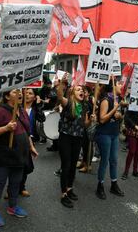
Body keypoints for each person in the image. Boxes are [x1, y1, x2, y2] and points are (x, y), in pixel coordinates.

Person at [0, 89, 38, 226]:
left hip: (19, 155)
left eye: (21, 91)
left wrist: (31, 147)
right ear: (7, 96)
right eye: (16, 92)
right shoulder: (1, 111)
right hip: (3, 155)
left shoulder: (22, 110)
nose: (21, 94)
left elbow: (27, 132)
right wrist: (6, 128)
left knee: (16, 182)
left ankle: (12, 206)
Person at [56, 78, 95, 208]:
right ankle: (63, 194)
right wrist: (62, 83)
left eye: (82, 90)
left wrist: (91, 121)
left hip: (78, 138)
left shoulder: (85, 106)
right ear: (73, 93)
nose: (81, 91)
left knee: (73, 165)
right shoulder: (68, 102)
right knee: (66, 165)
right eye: (78, 89)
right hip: (66, 138)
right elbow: (59, 95)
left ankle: (69, 188)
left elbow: (84, 125)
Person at [95, 80, 124, 199]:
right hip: (104, 134)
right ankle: (100, 186)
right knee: (105, 160)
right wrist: (114, 111)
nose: (121, 86)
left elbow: (119, 116)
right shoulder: (106, 100)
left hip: (114, 134)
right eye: (119, 84)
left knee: (114, 160)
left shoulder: (117, 99)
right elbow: (102, 119)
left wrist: (119, 115)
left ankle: (114, 184)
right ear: (112, 86)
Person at [19, 88, 45, 197]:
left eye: (30, 93)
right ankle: (10, 188)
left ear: (35, 97)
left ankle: (21, 187)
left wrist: (39, 106)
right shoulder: (18, 107)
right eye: (26, 93)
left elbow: (42, 119)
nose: (27, 95)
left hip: (30, 141)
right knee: (15, 165)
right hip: (18, 139)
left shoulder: (35, 109)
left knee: (25, 165)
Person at [121, 111, 138, 180]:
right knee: (132, 151)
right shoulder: (133, 103)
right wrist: (134, 125)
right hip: (132, 129)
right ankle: (126, 171)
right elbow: (126, 117)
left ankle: (135, 171)